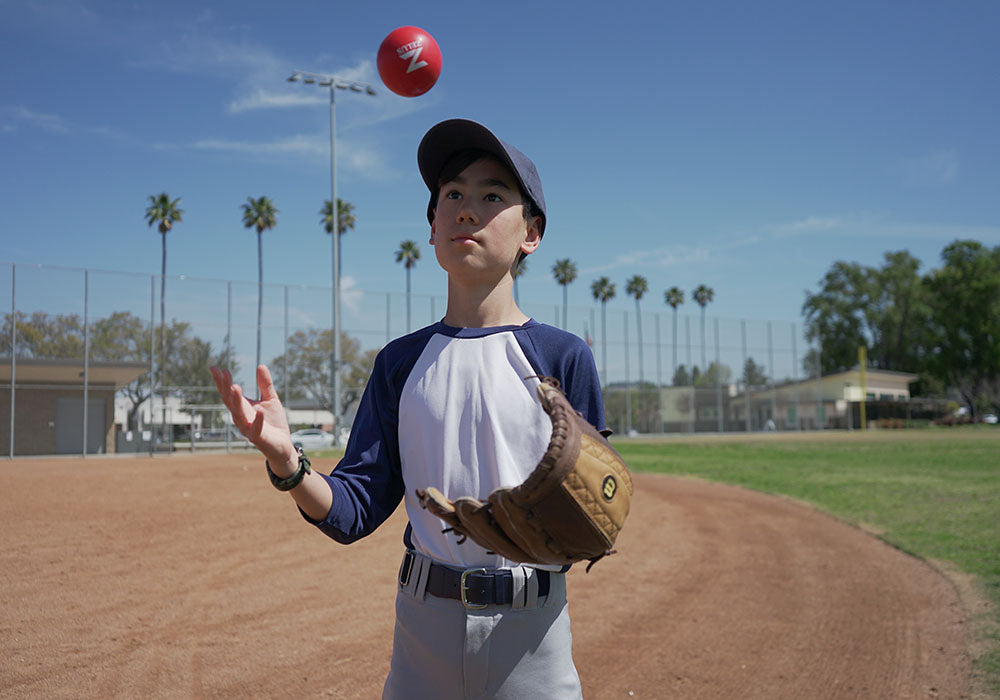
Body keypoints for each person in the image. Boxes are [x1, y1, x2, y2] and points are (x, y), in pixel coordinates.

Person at [211, 119, 607, 699]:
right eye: (453, 195)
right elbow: (354, 509)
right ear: (432, 228)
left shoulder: (562, 357)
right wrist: (286, 462)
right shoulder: (401, 363)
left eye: (492, 195)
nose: (467, 209)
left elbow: (593, 516)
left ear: (532, 233)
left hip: (533, 635)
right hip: (424, 630)